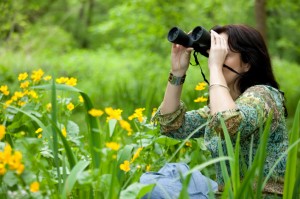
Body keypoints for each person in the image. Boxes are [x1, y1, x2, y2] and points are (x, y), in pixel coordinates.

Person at [147, 24, 288, 196]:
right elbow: (171, 126)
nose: (215, 60)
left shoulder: (265, 95)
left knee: (156, 188)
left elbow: (228, 123)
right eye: (213, 54)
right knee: (166, 174)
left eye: (224, 55)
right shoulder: (224, 105)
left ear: (247, 64)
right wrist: (177, 72)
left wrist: (215, 67)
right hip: (224, 193)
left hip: (254, 195)